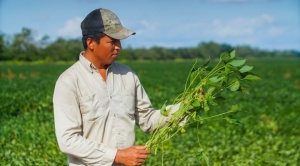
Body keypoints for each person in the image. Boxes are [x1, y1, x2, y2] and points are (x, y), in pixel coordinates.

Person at [53, 8, 180, 166]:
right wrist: (116, 156)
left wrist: (185, 107)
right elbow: (68, 140)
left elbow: (148, 119)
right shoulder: (69, 81)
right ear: (91, 43)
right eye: (112, 41)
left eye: (119, 41)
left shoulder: (127, 74)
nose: (119, 47)